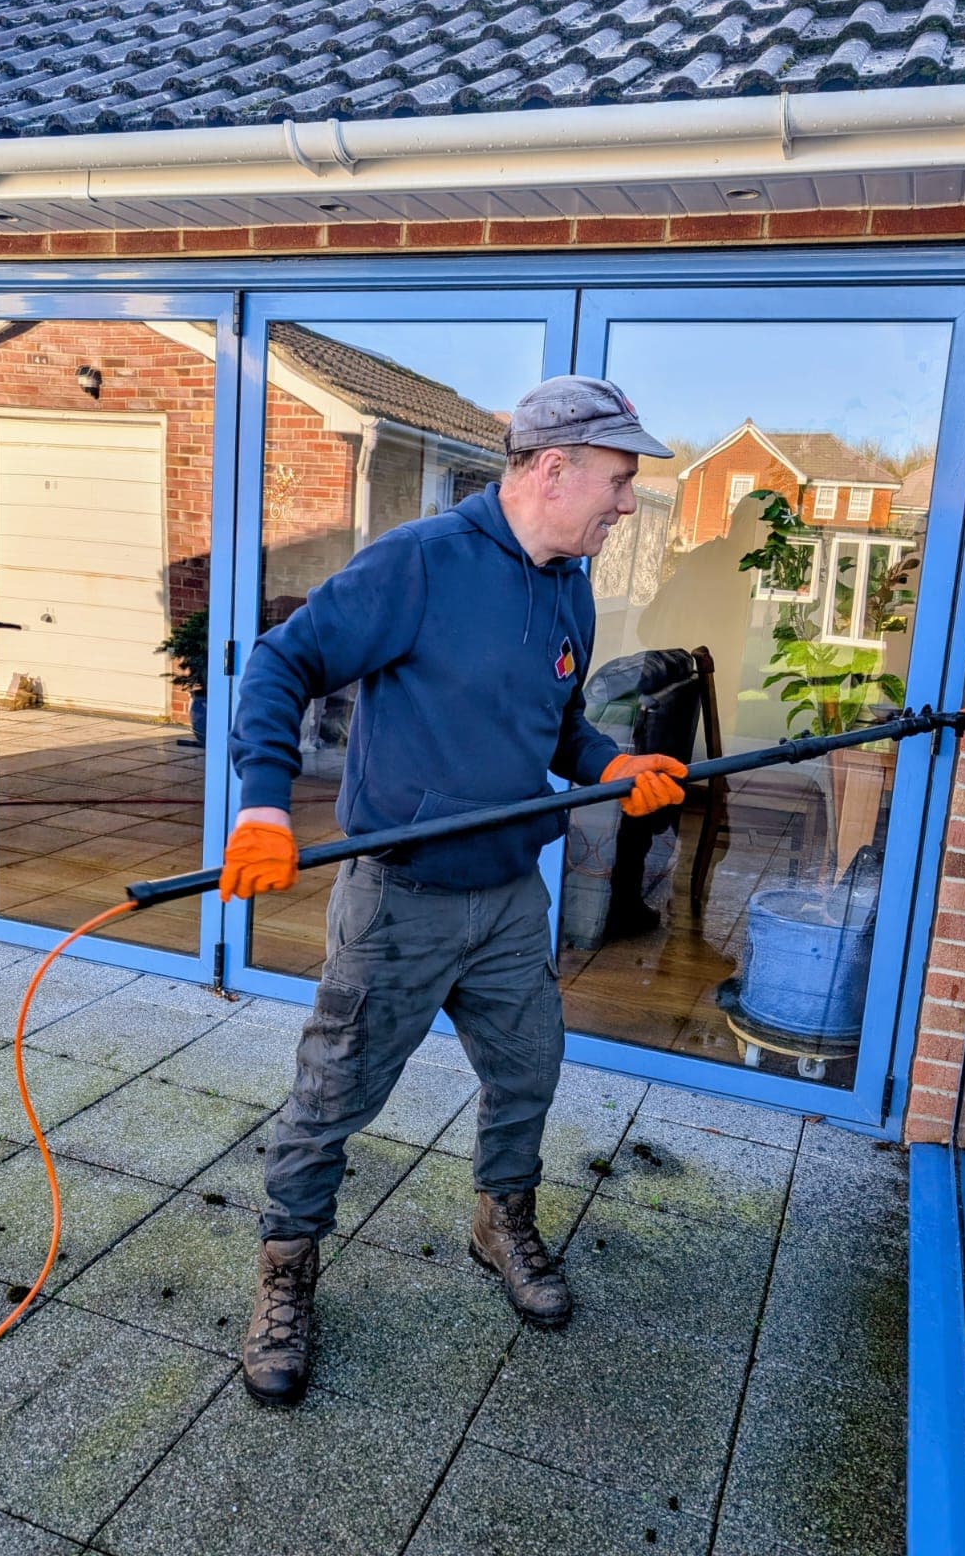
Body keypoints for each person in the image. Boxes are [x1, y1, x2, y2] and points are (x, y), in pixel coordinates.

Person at [220, 375, 688, 1406]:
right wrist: (261, 802)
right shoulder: (421, 562)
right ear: (552, 467)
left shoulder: (567, 582)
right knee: (334, 1094)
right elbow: (280, 661)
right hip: (401, 896)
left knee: (529, 1069)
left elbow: (554, 719)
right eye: (617, 480)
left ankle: (498, 1218)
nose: (624, 504)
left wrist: (605, 760)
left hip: (511, 893)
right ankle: (287, 1269)